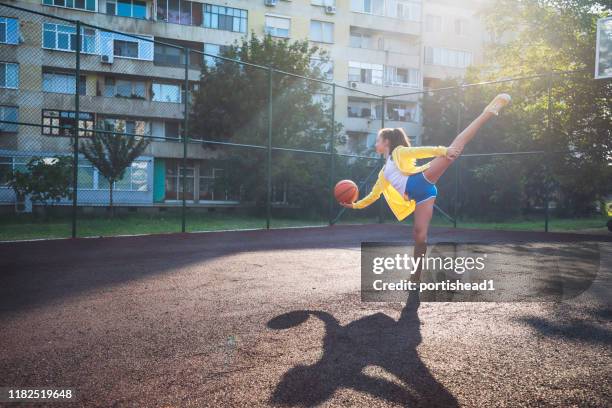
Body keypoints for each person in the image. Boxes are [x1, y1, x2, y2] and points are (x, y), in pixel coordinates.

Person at [340, 93, 512, 281]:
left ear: (386, 142)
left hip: (421, 181)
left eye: (378, 140)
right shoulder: (383, 172)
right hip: (422, 196)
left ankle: (488, 111)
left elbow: (419, 151)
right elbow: (373, 195)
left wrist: (443, 151)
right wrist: (354, 205)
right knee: (419, 236)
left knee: (454, 148)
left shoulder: (398, 152)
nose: (376, 143)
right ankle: (415, 276)